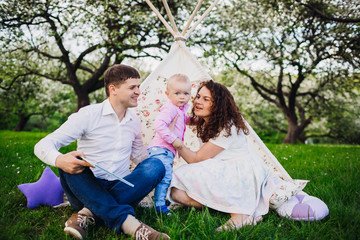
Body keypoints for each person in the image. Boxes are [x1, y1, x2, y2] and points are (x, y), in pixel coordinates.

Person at [34, 64, 170, 240]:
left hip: (121, 186)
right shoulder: (88, 115)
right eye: (132, 87)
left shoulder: (134, 121)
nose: (138, 91)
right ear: (113, 89)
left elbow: (140, 158)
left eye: (138, 86)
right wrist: (59, 160)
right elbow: (43, 144)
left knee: (156, 164)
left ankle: (87, 214)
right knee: (71, 161)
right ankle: (133, 227)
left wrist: (159, 168)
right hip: (86, 188)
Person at [168, 80, 276, 231]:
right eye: (198, 97)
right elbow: (184, 119)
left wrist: (174, 141)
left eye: (206, 99)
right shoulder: (206, 121)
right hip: (219, 167)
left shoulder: (227, 126)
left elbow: (196, 159)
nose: (198, 102)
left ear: (218, 105)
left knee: (181, 174)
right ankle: (223, 206)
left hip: (239, 170)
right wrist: (172, 112)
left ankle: (242, 216)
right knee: (176, 192)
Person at [147, 74, 191, 215]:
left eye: (186, 93)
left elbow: (184, 120)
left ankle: (161, 198)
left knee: (164, 177)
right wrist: (173, 139)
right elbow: (159, 125)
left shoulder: (181, 110)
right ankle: (160, 205)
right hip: (161, 149)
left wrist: (194, 121)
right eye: (177, 93)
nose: (182, 97)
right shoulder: (170, 108)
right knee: (165, 178)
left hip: (165, 151)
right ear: (167, 94)